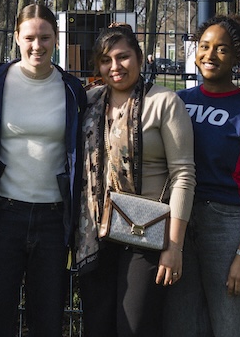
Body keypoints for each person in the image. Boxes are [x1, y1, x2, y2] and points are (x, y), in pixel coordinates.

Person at [164, 14, 240, 336]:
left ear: (237, 56)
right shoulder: (177, 102)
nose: (210, 55)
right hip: (181, 225)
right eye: (204, 46)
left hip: (230, 229)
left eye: (221, 49)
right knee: (181, 326)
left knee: (230, 326)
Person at [74, 23, 195, 337]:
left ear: (140, 58)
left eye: (123, 57)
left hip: (145, 233)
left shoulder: (164, 103)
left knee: (136, 326)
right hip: (95, 234)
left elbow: (183, 175)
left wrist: (174, 247)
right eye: (105, 59)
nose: (115, 67)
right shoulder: (89, 102)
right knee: (97, 327)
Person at [0, 2, 86, 337]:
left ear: (56, 39)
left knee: (48, 316)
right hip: (5, 214)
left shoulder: (71, 89)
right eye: (29, 37)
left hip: (53, 219)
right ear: (16, 38)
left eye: (45, 37)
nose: (37, 45)